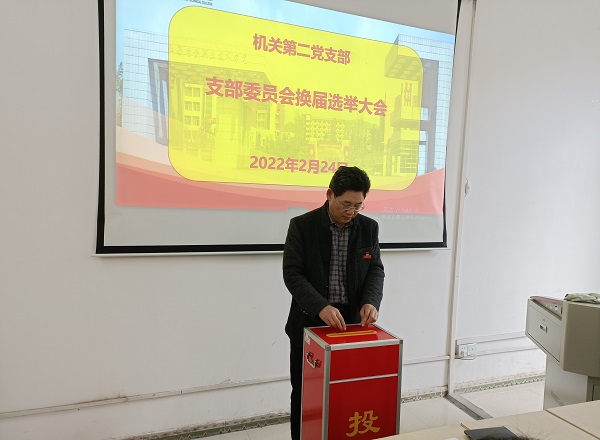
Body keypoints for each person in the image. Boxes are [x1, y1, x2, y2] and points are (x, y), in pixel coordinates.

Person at [282, 166, 385, 440]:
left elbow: (375, 269)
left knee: (349, 391)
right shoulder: (302, 226)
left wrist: (371, 301)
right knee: (305, 393)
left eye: (358, 205)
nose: (351, 211)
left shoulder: (369, 228)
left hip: (351, 326)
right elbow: (292, 274)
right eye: (346, 204)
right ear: (330, 195)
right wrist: (320, 306)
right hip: (309, 325)